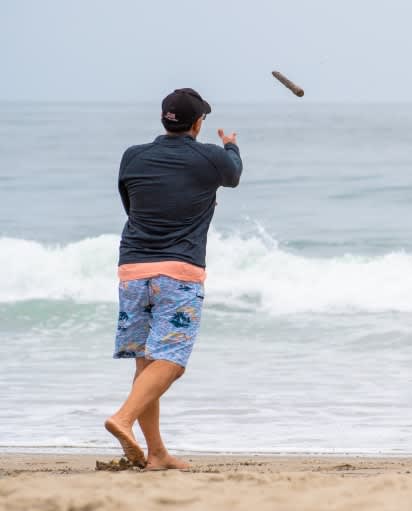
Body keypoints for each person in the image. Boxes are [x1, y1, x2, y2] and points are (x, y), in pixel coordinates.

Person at [105, 88, 243, 469]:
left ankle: (157, 454)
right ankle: (123, 418)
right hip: (179, 273)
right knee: (172, 361)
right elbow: (233, 175)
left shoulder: (132, 156)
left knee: (147, 361)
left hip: (132, 270)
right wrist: (230, 146)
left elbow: (132, 206)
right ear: (198, 124)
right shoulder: (211, 158)